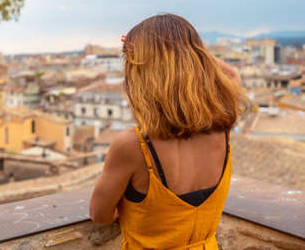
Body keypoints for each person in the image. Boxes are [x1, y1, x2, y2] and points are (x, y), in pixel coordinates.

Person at [89, 14, 246, 250]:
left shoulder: (133, 145)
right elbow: (232, 75)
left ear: (141, 75)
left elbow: (99, 214)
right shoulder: (221, 128)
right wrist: (187, 48)